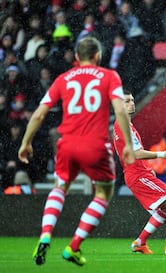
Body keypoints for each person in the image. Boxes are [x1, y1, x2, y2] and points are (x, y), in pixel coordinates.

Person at [18, 37, 135, 266]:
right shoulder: (110, 76)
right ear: (97, 56)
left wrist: (26, 142)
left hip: (67, 144)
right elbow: (120, 110)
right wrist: (129, 145)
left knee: (60, 187)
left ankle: (45, 235)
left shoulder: (63, 79)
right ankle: (73, 246)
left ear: (77, 57)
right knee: (102, 193)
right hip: (95, 145)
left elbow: (40, 114)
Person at [113, 90, 166, 255]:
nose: (131, 103)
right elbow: (136, 153)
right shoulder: (123, 126)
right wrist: (161, 154)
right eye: (126, 101)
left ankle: (140, 242)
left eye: (132, 100)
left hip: (140, 173)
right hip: (136, 175)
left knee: (163, 208)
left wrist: (148, 169)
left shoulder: (125, 125)